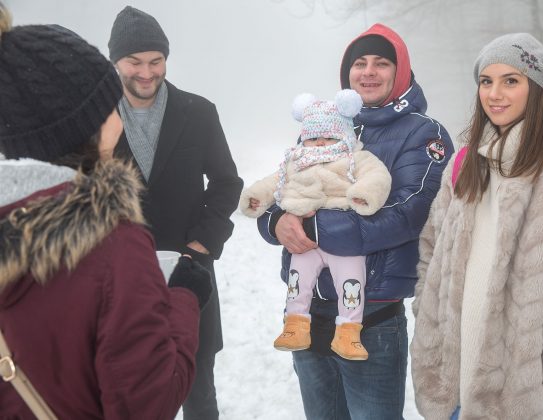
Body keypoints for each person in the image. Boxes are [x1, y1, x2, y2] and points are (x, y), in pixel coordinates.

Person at [0, 5, 213, 418]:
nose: (120, 116)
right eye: (110, 105)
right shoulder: (113, 247)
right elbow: (147, 406)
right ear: (89, 125)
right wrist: (184, 297)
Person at [410, 33, 543, 420]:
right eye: (486, 81)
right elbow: (431, 254)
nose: (495, 94)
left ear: (535, 88)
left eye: (511, 81)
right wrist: (429, 325)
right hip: (447, 392)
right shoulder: (465, 162)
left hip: (515, 403)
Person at [258, 23, 453, 419]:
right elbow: (284, 185)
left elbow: (408, 213)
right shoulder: (327, 124)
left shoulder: (423, 133)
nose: (368, 72)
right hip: (307, 315)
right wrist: (275, 221)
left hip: (371, 320)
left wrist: (313, 227)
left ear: (400, 71)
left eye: (381, 63)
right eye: (359, 63)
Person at [108, 6, 243, 419]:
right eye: (135, 62)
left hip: (189, 273)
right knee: (123, 396)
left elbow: (226, 182)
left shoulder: (198, 112)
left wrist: (200, 245)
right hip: (118, 281)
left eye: (156, 61)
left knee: (198, 394)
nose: (146, 72)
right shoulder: (96, 118)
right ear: (115, 61)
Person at [240, 89, 392, 360]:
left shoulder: (356, 158)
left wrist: (364, 193)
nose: (321, 143)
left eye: (330, 137)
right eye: (313, 138)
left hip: (343, 238)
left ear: (345, 135)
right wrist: (257, 197)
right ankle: (295, 325)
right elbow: (274, 182)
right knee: (298, 281)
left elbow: (377, 176)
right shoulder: (296, 160)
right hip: (304, 240)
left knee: (351, 283)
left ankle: (348, 333)